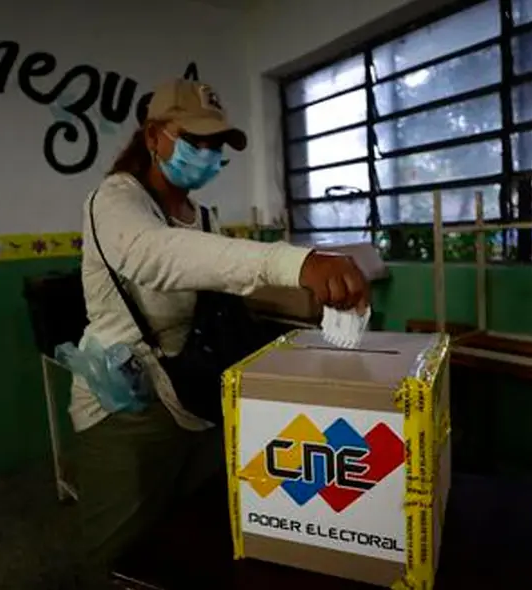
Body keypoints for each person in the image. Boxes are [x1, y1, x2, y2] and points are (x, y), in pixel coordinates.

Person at [70, 77, 369, 585]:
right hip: (127, 403)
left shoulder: (203, 217)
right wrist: (297, 263)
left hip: (194, 391)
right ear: (153, 136)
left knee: (195, 528)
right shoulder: (116, 200)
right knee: (123, 555)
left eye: (216, 145)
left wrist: (307, 297)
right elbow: (155, 256)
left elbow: (220, 277)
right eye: (195, 140)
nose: (207, 154)